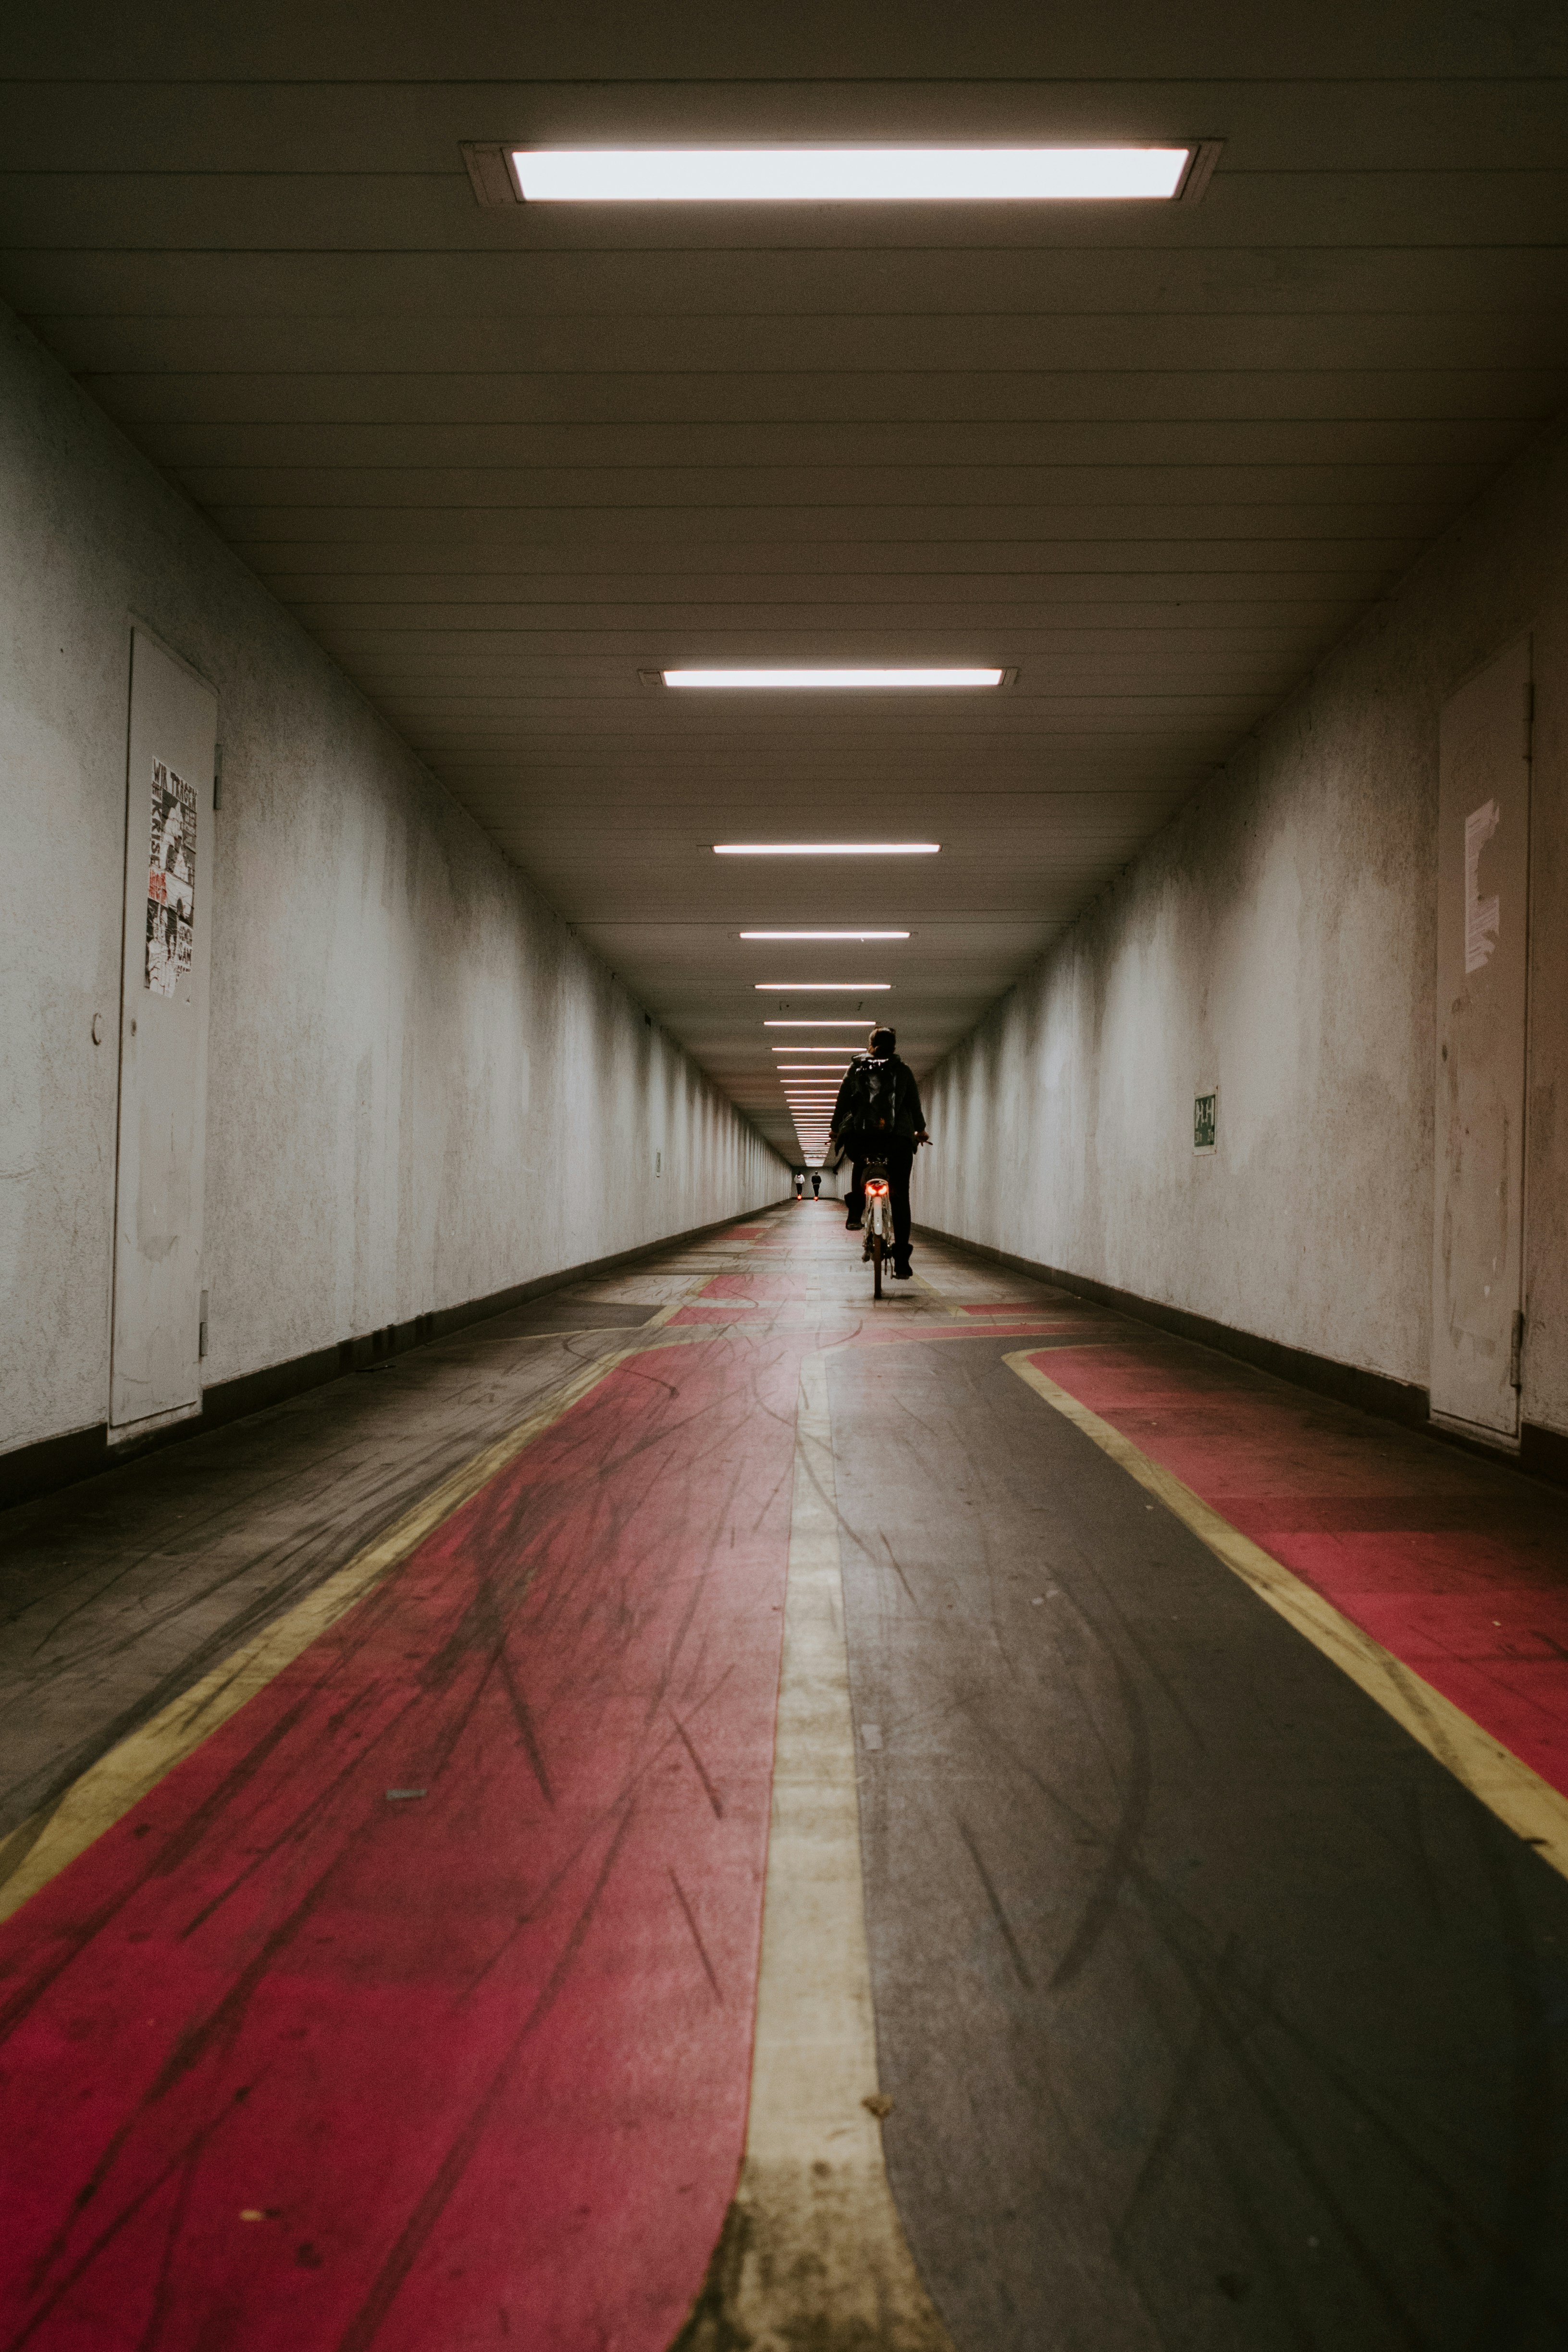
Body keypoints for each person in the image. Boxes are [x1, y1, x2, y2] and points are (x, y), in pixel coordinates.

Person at [829, 1026, 928, 1279]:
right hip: (897, 1142)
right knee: (900, 1198)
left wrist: (836, 1130)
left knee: (860, 1164)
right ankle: (903, 1262)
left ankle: (855, 1211)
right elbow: (913, 1105)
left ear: (870, 1045)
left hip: (861, 1140)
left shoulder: (855, 1069)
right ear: (894, 1047)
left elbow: (843, 1101)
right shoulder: (903, 1071)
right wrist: (920, 1131)